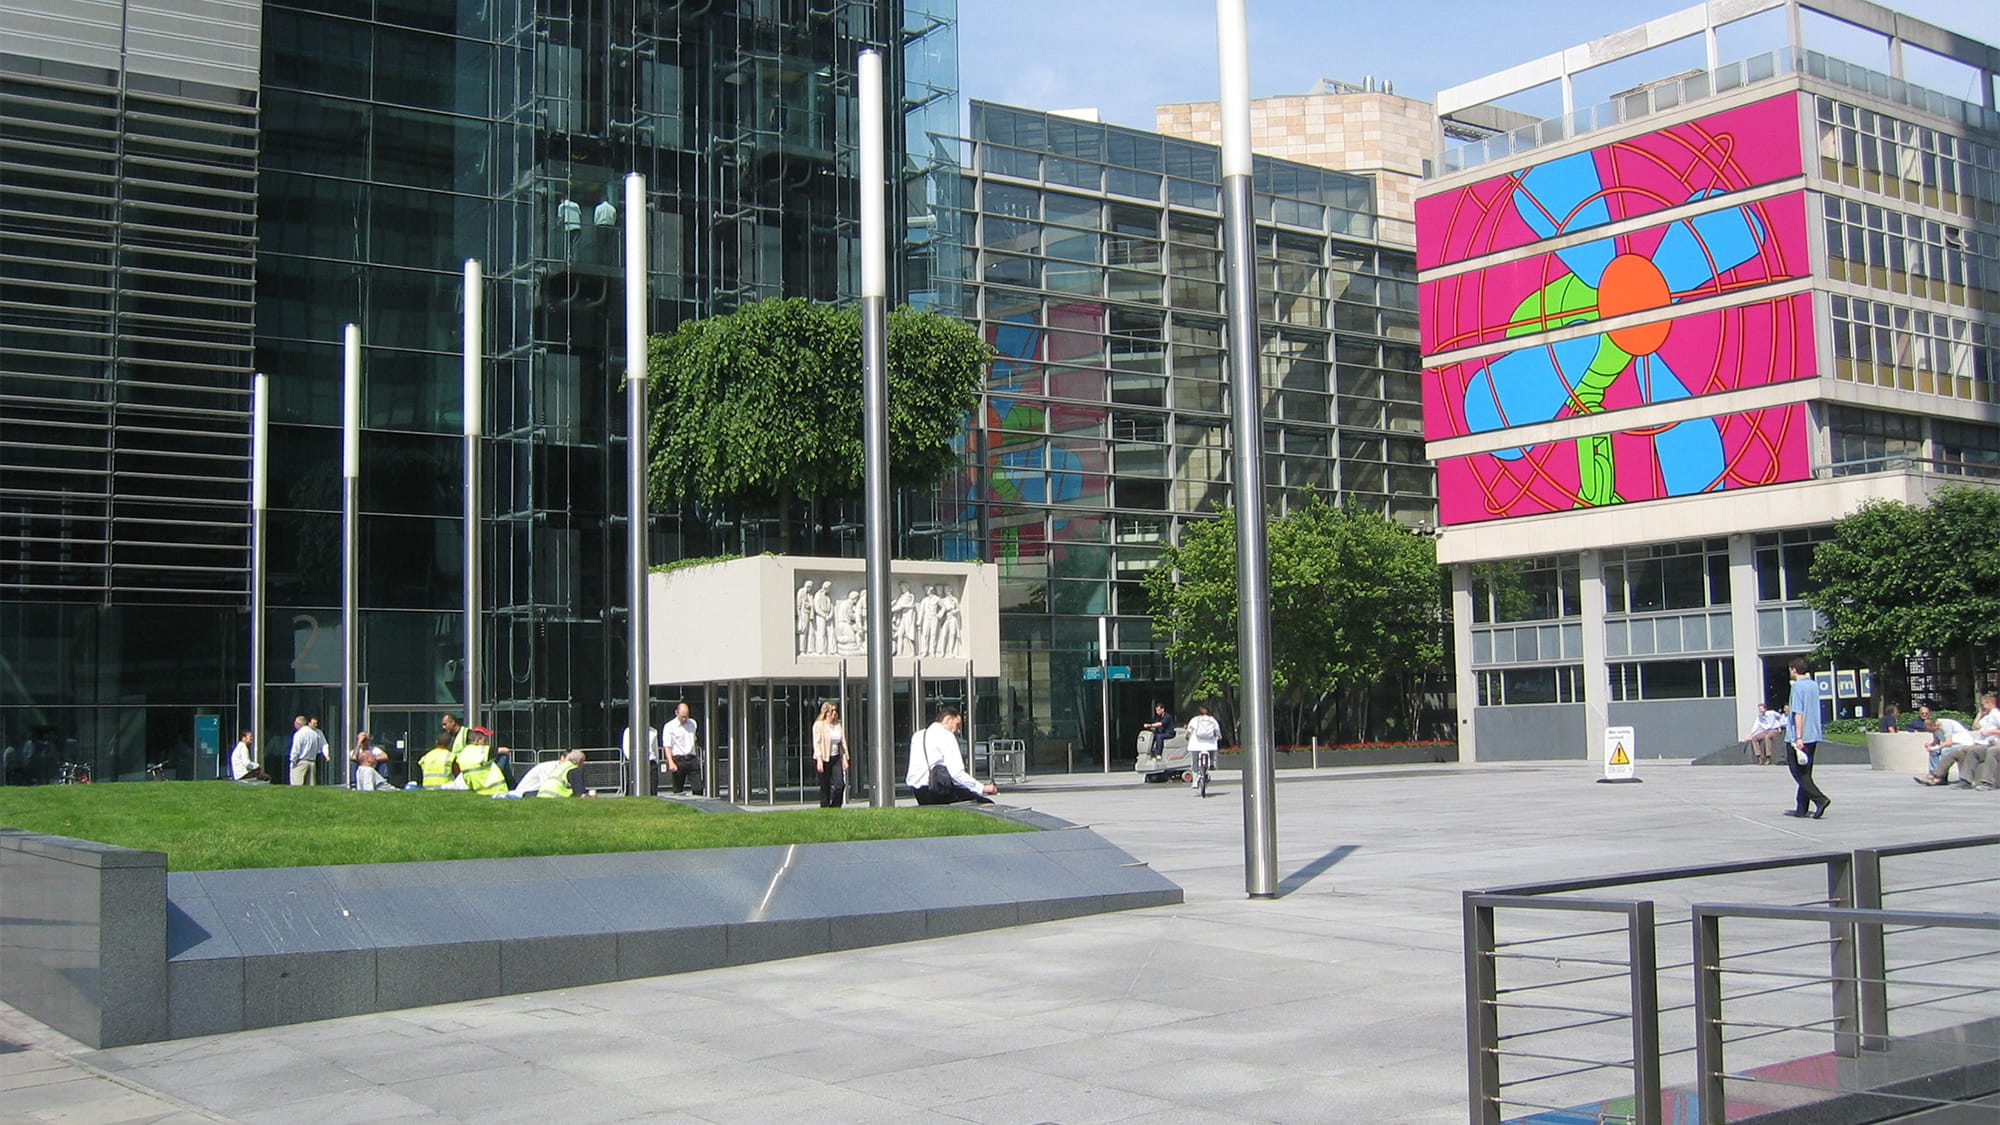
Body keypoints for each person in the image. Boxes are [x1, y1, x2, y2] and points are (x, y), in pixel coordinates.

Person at [907, 703, 997, 804]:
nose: (958, 731)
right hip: (938, 790)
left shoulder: (918, 736)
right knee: (986, 804)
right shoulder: (946, 736)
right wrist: (982, 788)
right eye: (957, 725)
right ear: (948, 719)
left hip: (919, 791)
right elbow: (956, 772)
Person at [1783, 658, 1830, 819]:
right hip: (1813, 734)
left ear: (1794, 670)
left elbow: (1798, 714)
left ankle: (1820, 799)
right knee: (1806, 772)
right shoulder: (1813, 685)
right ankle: (1801, 808)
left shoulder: (1797, 687)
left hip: (1799, 736)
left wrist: (1798, 737)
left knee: (1797, 772)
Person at [812, 701, 848, 808]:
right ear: (826, 712)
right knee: (825, 786)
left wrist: (844, 758)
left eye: (835, 710)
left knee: (840, 784)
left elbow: (842, 743)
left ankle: (835, 806)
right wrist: (819, 759)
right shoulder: (819, 725)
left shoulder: (838, 725)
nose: (834, 713)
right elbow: (817, 743)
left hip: (836, 757)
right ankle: (825, 807)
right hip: (823, 758)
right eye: (832, 710)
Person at [455, 727, 509, 796]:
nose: (486, 743)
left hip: (478, 788)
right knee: (503, 757)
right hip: (495, 787)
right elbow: (504, 750)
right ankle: (513, 785)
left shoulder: (463, 752)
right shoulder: (481, 750)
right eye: (484, 740)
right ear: (477, 741)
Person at [663, 701, 702, 795]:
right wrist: (671, 762)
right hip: (678, 759)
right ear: (676, 713)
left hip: (692, 757)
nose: (684, 719)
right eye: (682, 716)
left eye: (686, 716)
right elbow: (667, 746)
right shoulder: (669, 726)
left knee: (698, 788)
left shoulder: (692, 723)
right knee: (678, 789)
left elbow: (694, 740)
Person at [1185, 704, 1221, 794]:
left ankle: (1194, 782)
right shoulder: (1212, 719)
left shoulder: (1195, 719)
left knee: (1195, 761)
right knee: (1213, 750)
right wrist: (1219, 736)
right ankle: (1212, 764)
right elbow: (1217, 731)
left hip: (1196, 744)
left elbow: (1189, 731)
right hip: (1209, 743)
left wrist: (1187, 737)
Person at [288, 715, 327, 786]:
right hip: (312, 762)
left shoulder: (299, 734)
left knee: (297, 785)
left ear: (298, 724)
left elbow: (296, 750)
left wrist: (293, 761)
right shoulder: (315, 734)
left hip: (300, 762)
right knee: (311, 788)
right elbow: (318, 749)